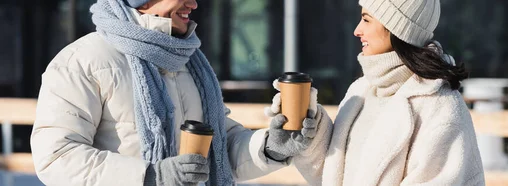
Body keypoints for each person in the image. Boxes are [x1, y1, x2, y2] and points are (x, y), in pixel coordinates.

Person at [30, 0, 324, 185]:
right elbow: (57, 159)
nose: (194, 3)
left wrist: (270, 146)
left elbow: (218, 149)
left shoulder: (188, 62)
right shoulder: (82, 61)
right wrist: (149, 176)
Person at [264, 0, 485, 185]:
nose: (357, 30)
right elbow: (332, 176)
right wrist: (309, 133)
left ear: (397, 28)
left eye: (367, 19)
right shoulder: (361, 92)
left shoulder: (440, 108)